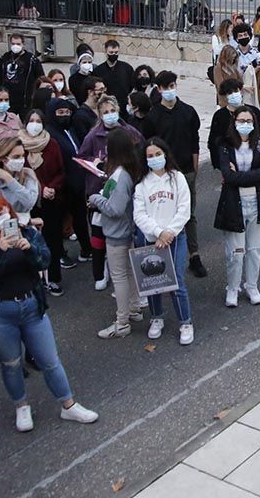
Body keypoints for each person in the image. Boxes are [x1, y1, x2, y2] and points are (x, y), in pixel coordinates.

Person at [0, 191, 98, 432]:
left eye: (1, 212)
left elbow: (44, 260)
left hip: (31, 306)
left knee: (50, 360)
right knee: (11, 363)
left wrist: (29, 249)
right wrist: (1, 250)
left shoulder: (27, 231)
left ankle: (68, 404)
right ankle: (21, 405)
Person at [142, 72, 207, 278]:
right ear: (158, 89)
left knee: (189, 214)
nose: (169, 90)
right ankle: (164, 255)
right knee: (162, 213)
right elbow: (149, 145)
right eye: (164, 87)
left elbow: (195, 141)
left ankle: (194, 255)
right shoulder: (153, 116)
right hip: (163, 173)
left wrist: (195, 169)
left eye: (171, 85)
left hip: (186, 170)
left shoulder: (188, 112)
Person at [209, 79, 260, 263]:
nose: (233, 95)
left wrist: (252, 142)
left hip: (254, 168)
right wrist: (223, 167)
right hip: (232, 172)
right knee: (234, 209)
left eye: (236, 90)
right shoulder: (220, 117)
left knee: (259, 211)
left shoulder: (252, 112)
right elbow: (214, 142)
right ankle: (235, 251)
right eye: (229, 92)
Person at [133, 138, 194, 345]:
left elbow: (184, 208)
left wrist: (169, 232)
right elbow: (139, 215)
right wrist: (158, 232)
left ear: (165, 154)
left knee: (176, 280)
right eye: (150, 156)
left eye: (157, 154)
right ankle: (156, 317)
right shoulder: (142, 184)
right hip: (152, 239)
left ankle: (185, 322)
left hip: (175, 237)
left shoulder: (177, 178)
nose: (154, 159)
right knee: (152, 282)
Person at [79, 96, 144, 289]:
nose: (109, 115)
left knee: (125, 231)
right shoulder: (93, 136)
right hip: (98, 189)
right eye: (105, 112)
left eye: (112, 111)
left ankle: (125, 266)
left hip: (124, 189)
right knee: (98, 234)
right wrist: (95, 163)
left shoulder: (130, 132)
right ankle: (100, 272)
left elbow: (141, 151)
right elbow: (82, 157)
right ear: (99, 115)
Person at [214, 107, 260, 307]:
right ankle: (232, 287)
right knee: (236, 253)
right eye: (241, 120)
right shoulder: (225, 145)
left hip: (257, 202)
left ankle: (251, 285)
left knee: (255, 250)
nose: (245, 124)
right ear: (234, 121)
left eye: (249, 120)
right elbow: (229, 176)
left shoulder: (259, 144)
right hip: (234, 203)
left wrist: (239, 176)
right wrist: (256, 175)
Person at [88, 129, 146, 339]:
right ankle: (134, 308)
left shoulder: (121, 176)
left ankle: (122, 322)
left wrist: (96, 199)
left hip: (117, 232)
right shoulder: (126, 171)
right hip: (124, 230)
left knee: (119, 277)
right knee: (128, 273)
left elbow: (115, 208)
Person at [19, 110, 66, 295]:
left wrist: (52, 187)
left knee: (52, 241)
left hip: (50, 201)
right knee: (29, 242)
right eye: (31, 120)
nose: (35, 124)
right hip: (27, 203)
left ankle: (53, 278)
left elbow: (61, 171)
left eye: (38, 121)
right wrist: (40, 188)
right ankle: (32, 280)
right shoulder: (18, 145)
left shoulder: (51, 144)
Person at [43, 96, 90, 268]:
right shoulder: (50, 134)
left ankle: (86, 249)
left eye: (67, 112)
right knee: (57, 223)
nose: (64, 116)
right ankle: (59, 255)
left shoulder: (70, 130)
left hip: (76, 183)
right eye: (60, 113)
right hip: (60, 186)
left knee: (80, 218)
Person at [0, 138, 40, 232]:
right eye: (16, 157)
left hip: (27, 232)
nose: (21, 160)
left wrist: (10, 180)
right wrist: (25, 220)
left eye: (23, 156)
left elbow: (29, 202)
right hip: (1, 234)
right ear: (3, 159)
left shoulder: (28, 177)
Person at [0, 34, 44, 118]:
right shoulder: (3, 59)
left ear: (23, 44)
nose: (15, 46)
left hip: (25, 101)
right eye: (13, 44)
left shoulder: (32, 60)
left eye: (18, 44)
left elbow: (40, 78)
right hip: (7, 100)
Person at [72, 76, 106, 142]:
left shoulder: (102, 109)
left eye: (104, 89)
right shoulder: (80, 116)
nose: (104, 92)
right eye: (101, 89)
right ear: (90, 92)